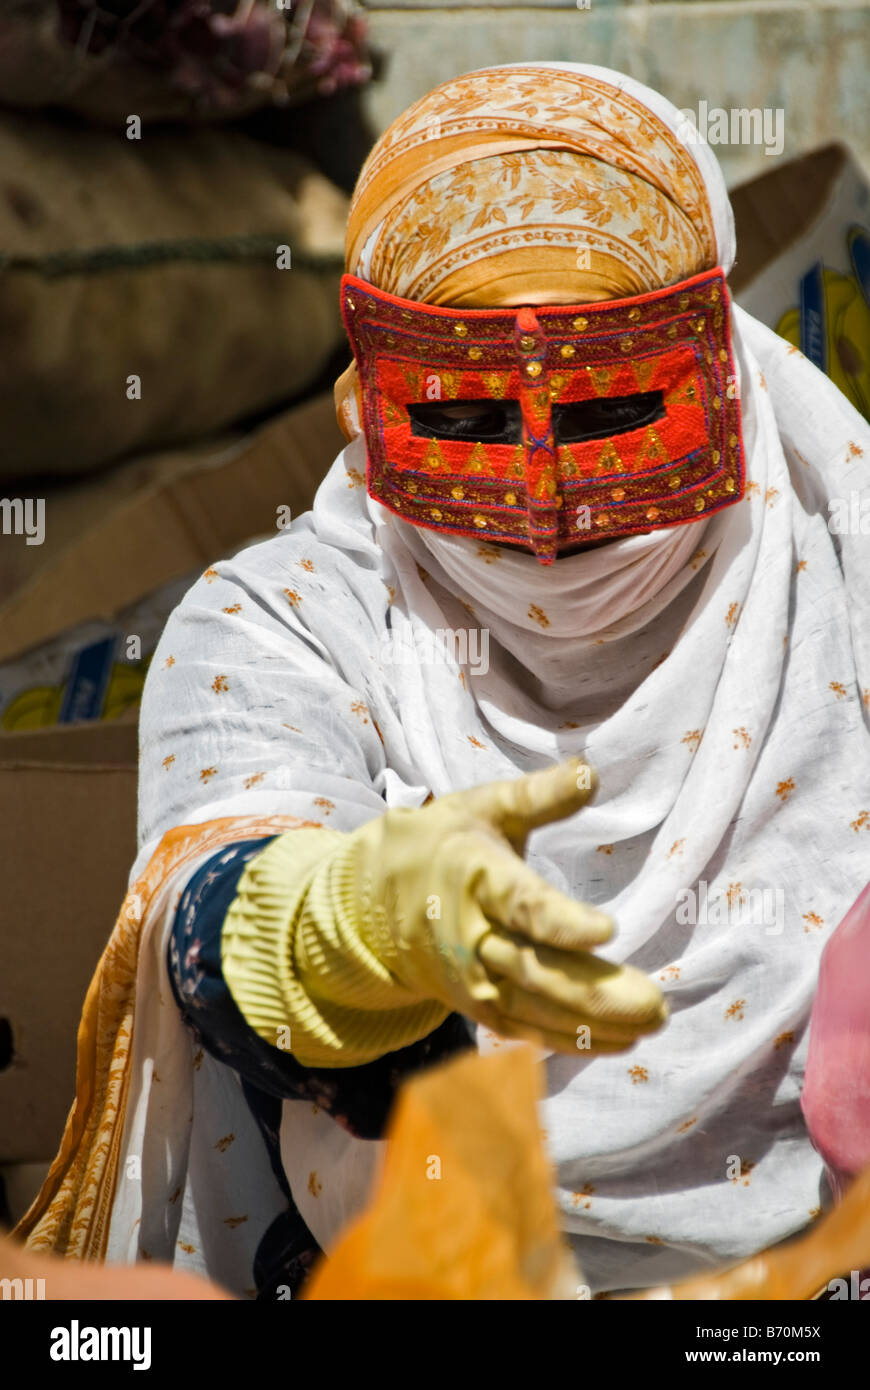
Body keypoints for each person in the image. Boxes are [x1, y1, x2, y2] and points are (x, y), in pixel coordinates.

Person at [18, 60, 870, 1299]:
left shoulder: (847, 576)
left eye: (610, 408)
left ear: (718, 369)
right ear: (367, 403)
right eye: (465, 424)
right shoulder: (285, 619)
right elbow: (219, 894)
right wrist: (352, 925)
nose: (543, 512)